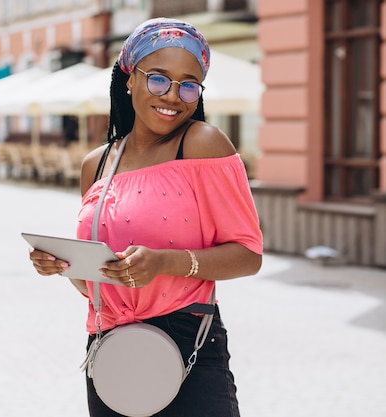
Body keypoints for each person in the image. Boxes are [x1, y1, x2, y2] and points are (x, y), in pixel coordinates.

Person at [29, 17, 263, 417]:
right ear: (129, 78)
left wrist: (165, 262)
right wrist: (66, 266)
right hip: (110, 347)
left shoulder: (202, 144)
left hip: (188, 339)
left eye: (189, 83)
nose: (173, 95)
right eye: (158, 79)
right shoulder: (97, 164)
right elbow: (94, 289)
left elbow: (248, 254)